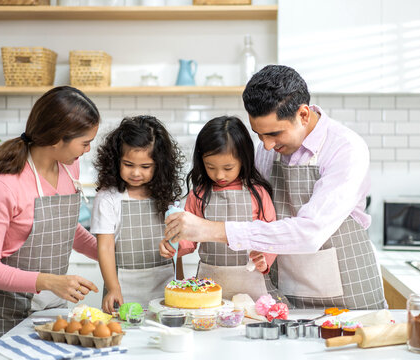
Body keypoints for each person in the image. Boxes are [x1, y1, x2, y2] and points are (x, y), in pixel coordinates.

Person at [164, 65, 386, 310]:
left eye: (274, 134)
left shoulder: (346, 148)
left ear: (303, 114)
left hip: (347, 291)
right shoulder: (268, 150)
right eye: (259, 135)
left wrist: (211, 230)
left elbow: (309, 232)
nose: (267, 146)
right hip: (287, 291)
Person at [0, 86, 101, 346]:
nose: (88, 150)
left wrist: (108, 252)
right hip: (4, 313)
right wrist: (49, 281)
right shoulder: (3, 187)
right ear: (56, 139)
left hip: (51, 309)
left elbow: (66, 228)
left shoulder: (69, 166)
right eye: (85, 142)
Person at [159, 116, 286, 302]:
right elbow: (188, 240)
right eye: (210, 167)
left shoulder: (258, 193)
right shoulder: (198, 195)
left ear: (243, 160)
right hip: (209, 285)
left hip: (251, 285)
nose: (219, 175)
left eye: (228, 167)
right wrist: (173, 246)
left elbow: (271, 234)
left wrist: (264, 258)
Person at [91, 115, 184, 313]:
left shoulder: (167, 198)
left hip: (165, 292)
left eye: (145, 167)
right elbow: (105, 248)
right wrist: (113, 288)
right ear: (116, 160)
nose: (136, 173)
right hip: (122, 293)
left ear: (159, 165)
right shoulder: (108, 198)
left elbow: (176, 247)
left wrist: (181, 285)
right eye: (128, 164)